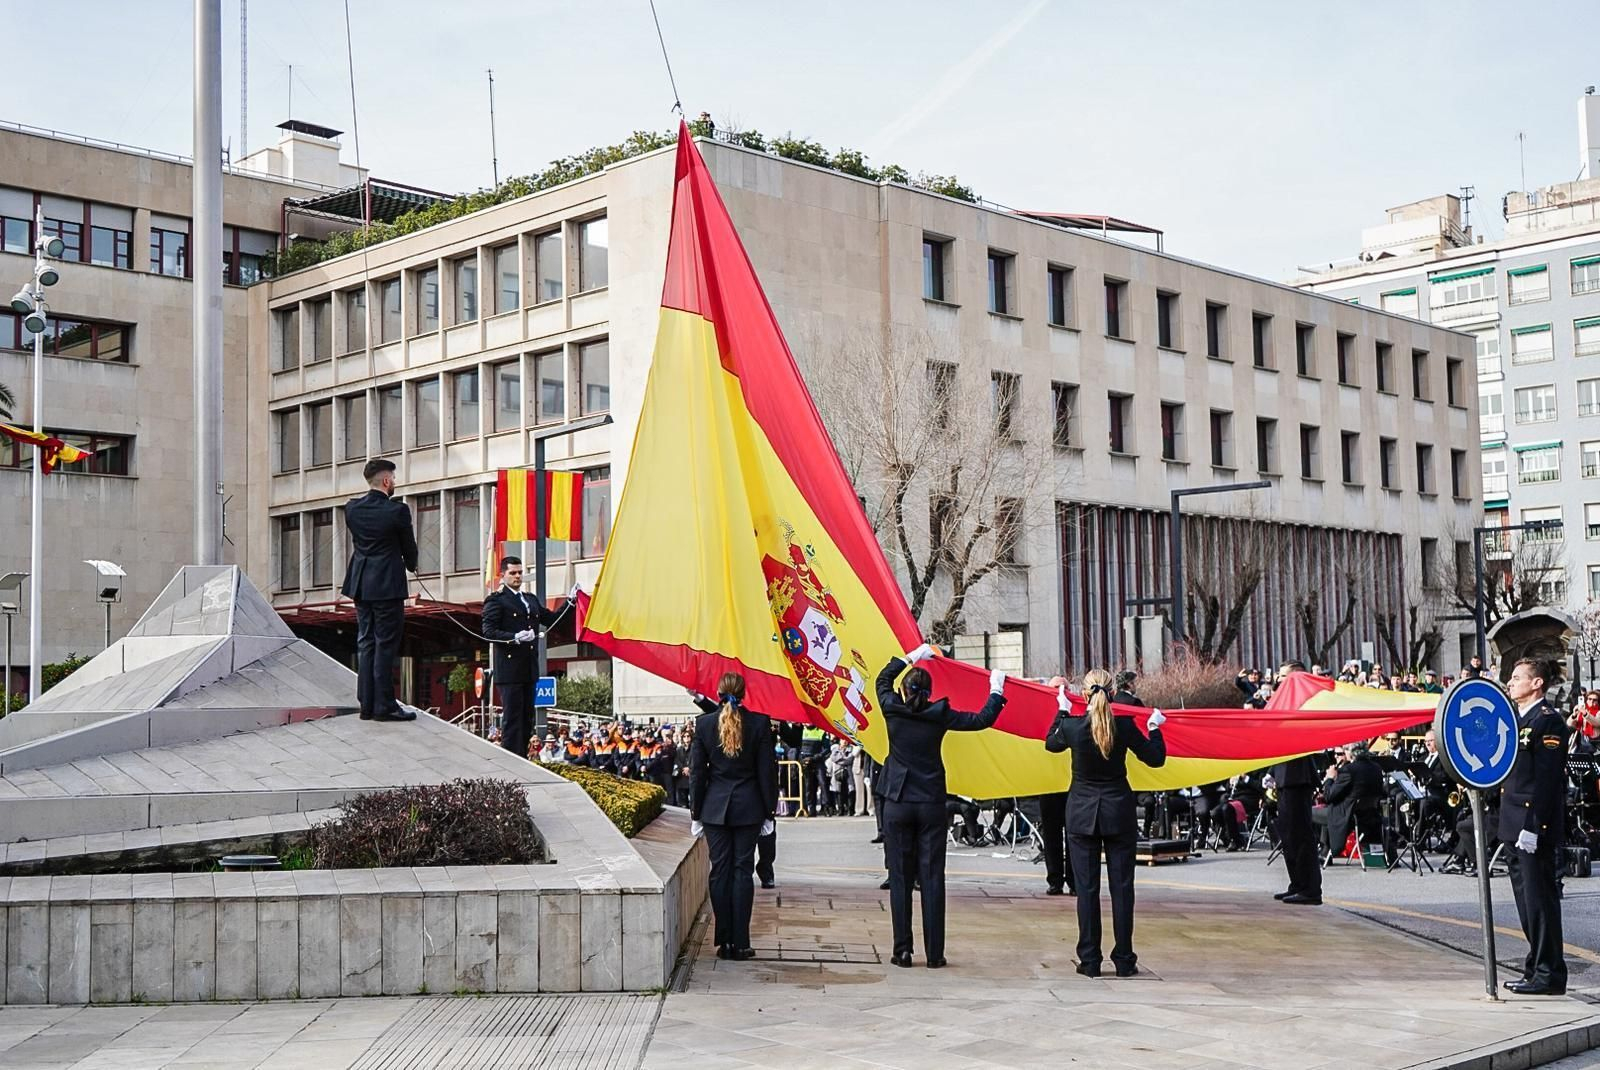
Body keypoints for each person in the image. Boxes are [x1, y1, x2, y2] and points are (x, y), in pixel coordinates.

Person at [875, 644, 1005, 969]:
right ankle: (935, 953)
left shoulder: (893, 708)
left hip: (897, 800)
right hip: (931, 801)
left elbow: (881, 680)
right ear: (931, 691)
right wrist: (997, 689)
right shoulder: (939, 715)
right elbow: (981, 720)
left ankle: (902, 950)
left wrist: (910, 656)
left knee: (900, 877)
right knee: (933, 877)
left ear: (904, 691)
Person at [1045, 669, 1167, 978]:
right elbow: (1155, 759)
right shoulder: (1123, 727)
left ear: (1084, 695)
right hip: (1118, 813)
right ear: (1113, 694)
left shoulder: (1073, 727)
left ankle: (1090, 960)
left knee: (1086, 890)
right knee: (1122, 889)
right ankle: (1124, 959)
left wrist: (1060, 710)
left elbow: (1050, 743)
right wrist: (1154, 728)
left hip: (1082, 815)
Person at [689, 675, 778, 961]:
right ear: (744, 693)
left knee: (719, 871)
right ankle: (741, 942)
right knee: (742, 872)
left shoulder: (704, 724)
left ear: (717, 692)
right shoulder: (759, 723)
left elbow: (698, 773)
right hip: (749, 807)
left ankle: (723, 940)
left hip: (714, 809)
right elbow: (767, 772)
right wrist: (769, 812)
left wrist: (695, 812)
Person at [1499, 658, 1570, 996]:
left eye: (1517, 678)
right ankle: (1536, 966)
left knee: (1540, 901)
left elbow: (1546, 780)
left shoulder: (1549, 722)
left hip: (1532, 826)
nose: (1510, 683)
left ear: (1537, 683)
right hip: (1512, 825)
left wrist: (1534, 825)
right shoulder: (1517, 721)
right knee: (1526, 904)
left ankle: (1549, 973)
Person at [340, 459, 419, 723]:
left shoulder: (352, 509)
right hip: (387, 584)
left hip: (362, 583)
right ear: (386, 481)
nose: (395, 483)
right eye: (393, 479)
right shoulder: (398, 511)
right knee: (385, 644)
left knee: (366, 642)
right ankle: (385, 705)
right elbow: (408, 546)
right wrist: (412, 563)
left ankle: (367, 704)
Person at [481, 557, 574, 759]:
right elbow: (488, 631)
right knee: (513, 718)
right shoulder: (497, 600)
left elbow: (551, 619)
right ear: (503, 575)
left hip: (529, 667)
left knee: (526, 718)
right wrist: (514, 637)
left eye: (519, 572)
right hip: (510, 668)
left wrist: (570, 602)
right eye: (513, 573)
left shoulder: (529, 599)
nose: (517, 577)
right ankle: (511, 759)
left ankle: (521, 757)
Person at [1269, 663, 1322, 905]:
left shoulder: (1303, 701)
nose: (1278, 681)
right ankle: (1297, 883)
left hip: (1298, 775)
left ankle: (1310, 889)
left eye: (1283, 677)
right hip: (1283, 775)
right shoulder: (1282, 700)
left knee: (1301, 835)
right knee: (1288, 835)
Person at [1037, 676, 1078, 897]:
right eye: (1056, 687)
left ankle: (1073, 881)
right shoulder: (1040, 710)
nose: (1060, 691)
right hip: (1048, 784)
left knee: (1073, 836)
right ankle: (1055, 881)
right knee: (1051, 836)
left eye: (1064, 687)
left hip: (1071, 784)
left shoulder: (1074, 708)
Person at [1317, 744, 1384, 859]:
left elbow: (1328, 796)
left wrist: (1329, 778)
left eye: (1345, 750)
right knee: (1326, 812)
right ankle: (1325, 851)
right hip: (1369, 813)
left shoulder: (1348, 770)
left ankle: (1323, 850)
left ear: (1351, 752)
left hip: (1348, 815)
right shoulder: (1376, 768)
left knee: (1310, 813)